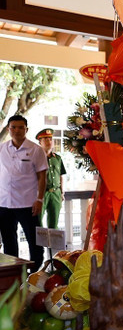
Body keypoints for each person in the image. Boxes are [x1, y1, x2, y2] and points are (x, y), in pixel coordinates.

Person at [0, 115, 47, 270]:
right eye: (13, 127)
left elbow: (42, 177)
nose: (17, 130)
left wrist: (39, 200)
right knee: (9, 240)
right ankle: (13, 272)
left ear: (26, 129)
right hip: (4, 203)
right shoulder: (2, 148)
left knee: (34, 240)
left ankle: (34, 272)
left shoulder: (36, 150)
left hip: (28, 203)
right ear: (8, 129)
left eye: (21, 127)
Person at [36, 128, 66, 229]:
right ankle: (39, 245)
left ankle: (53, 245)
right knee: (38, 222)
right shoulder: (36, 158)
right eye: (45, 139)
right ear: (40, 142)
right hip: (41, 194)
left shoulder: (57, 158)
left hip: (56, 193)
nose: (49, 141)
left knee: (54, 223)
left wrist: (62, 193)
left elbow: (61, 175)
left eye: (50, 139)